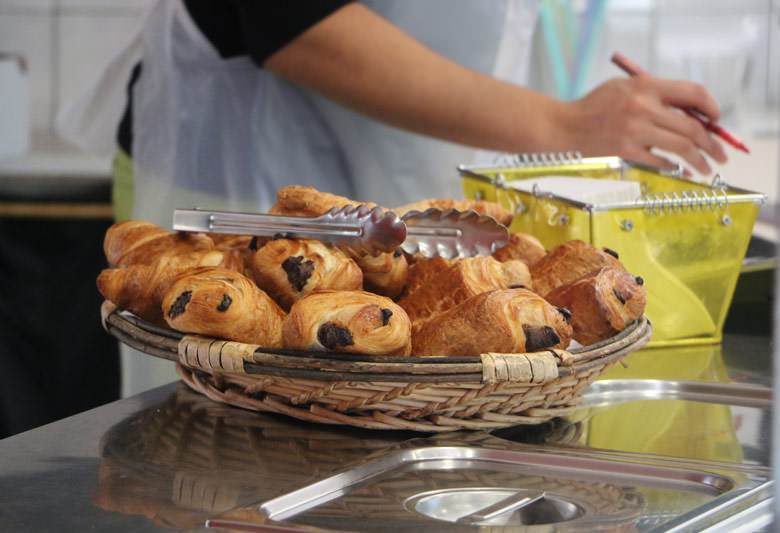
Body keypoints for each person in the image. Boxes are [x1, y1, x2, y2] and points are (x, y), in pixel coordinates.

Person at [58, 0, 728, 396]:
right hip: (238, 163)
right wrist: (563, 125)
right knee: (226, 449)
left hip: (412, 208)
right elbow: (292, 20)